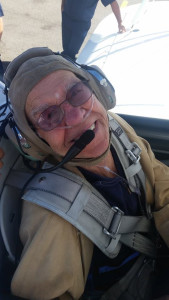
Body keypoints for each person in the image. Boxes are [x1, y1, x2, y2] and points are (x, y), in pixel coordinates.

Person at [1, 47, 169, 300]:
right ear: (35, 139)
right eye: (48, 115)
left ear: (96, 89)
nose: (76, 116)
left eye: (76, 93)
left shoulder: (115, 128)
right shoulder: (54, 218)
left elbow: (159, 180)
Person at [61, 0, 126, 60]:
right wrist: (63, 6)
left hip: (81, 25)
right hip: (66, 17)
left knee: (71, 53)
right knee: (66, 49)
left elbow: (113, 3)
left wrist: (120, 23)